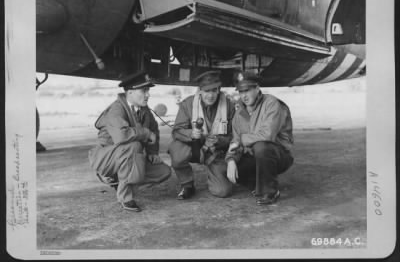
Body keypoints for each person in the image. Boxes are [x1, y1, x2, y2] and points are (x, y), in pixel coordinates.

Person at [88, 71, 171, 212]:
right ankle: (125, 197)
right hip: (105, 159)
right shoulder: (116, 109)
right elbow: (121, 136)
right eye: (143, 90)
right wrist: (145, 133)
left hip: (125, 158)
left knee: (163, 171)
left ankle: (121, 180)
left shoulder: (144, 110)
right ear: (130, 92)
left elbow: (154, 129)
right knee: (133, 145)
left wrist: (152, 152)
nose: (148, 94)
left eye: (148, 90)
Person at [225, 72, 294, 205]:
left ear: (257, 88)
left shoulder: (271, 103)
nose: (244, 95)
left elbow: (267, 135)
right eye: (240, 91)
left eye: (247, 90)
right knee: (228, 169)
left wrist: (241, 140)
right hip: (256, 154)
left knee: (261, 146)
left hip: (279, 155)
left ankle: (271, 192)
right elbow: (235, 140)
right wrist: (230, 160)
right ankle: (256, 186)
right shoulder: (239, 111)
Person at [168, 71, 236, 200]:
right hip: (195, 147)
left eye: (214, 91)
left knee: (222, 191)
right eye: (206, 91)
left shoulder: (229, 105)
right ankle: (187, 185)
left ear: (219, 90)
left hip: (216, 152)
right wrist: (191, 133)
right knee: (177, 151)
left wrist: (220, 140)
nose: (210, 95)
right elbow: (176, 131)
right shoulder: (187, 104)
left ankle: (216, 175)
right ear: (200, 91)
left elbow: (236, 135)